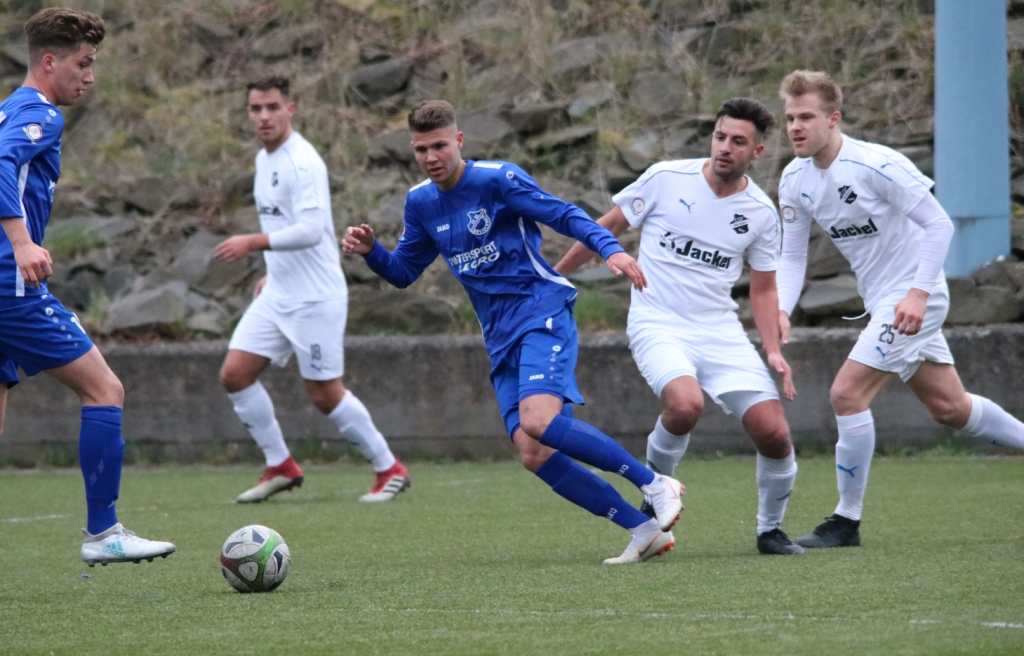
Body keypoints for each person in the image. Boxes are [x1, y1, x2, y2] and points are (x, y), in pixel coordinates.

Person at [342, 100, 684, 564]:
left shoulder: (496, 179)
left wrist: (609, 250)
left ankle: (653, 482)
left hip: (540, 309)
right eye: (421, 149)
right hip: (499, 334)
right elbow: (404, 272)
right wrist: (372, 252)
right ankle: (642, 530)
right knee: (532, 450)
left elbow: (564, 214)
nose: (430, 157)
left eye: (439, 145)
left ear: (459, 141)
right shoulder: (420, 201)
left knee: (538, 421)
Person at [776, 70, 1024, 548]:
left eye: (806, 117)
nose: (795, 127)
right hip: (884, 302)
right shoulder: (794, 178)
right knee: (950, 408)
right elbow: (791, 255)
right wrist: (782, 310)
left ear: (833, 118)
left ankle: (845, 522)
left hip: (914, 298)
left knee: (846, 394)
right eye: (789, 118)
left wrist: (918, 293)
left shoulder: (877, 165)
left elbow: (939, 225)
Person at [555, 98, 804, 556]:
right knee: (685, 405)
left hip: (720, 331)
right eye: (720, 136)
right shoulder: (667, 178)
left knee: (775, 433)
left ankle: (770, 531)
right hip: (658, 320)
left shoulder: (761, 213)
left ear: (758, 152)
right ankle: (654, 494)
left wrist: (772, 350)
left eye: (738, 142)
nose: (725, 147)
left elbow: (764, 290)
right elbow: (604, 227)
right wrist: (554, 279)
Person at [0, 8, 175, 566]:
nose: (89, 76)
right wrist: (23, 242)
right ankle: (103, 532)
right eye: (84, 62)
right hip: (11, 285)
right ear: (49, 62)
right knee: (105, 390)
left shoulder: (8, 108)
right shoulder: (40, 114)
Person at [214, 76, 409, 504]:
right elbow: (284, 226)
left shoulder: (302, 161)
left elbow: (312, 229)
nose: (263, 116)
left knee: (324, 395)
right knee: (235, 375)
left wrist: (252, 243)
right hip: (279, 290)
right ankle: (280, 465)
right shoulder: (265, 159)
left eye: (271, 107)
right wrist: (271, 269)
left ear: (291, 109)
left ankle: (388, 467)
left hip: (315, 298)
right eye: (255, 109)